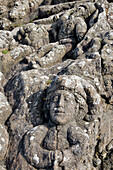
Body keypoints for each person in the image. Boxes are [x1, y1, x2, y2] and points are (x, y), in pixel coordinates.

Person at [23, 75, 101, 169]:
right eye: (55, 99)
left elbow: (82, 145)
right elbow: (31, 148)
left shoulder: (75, 132)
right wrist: (50, 157)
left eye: (67, 100)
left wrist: (62, 157)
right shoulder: (40, 131)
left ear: (77, 108)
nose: (60, 104)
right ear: (48, 105)